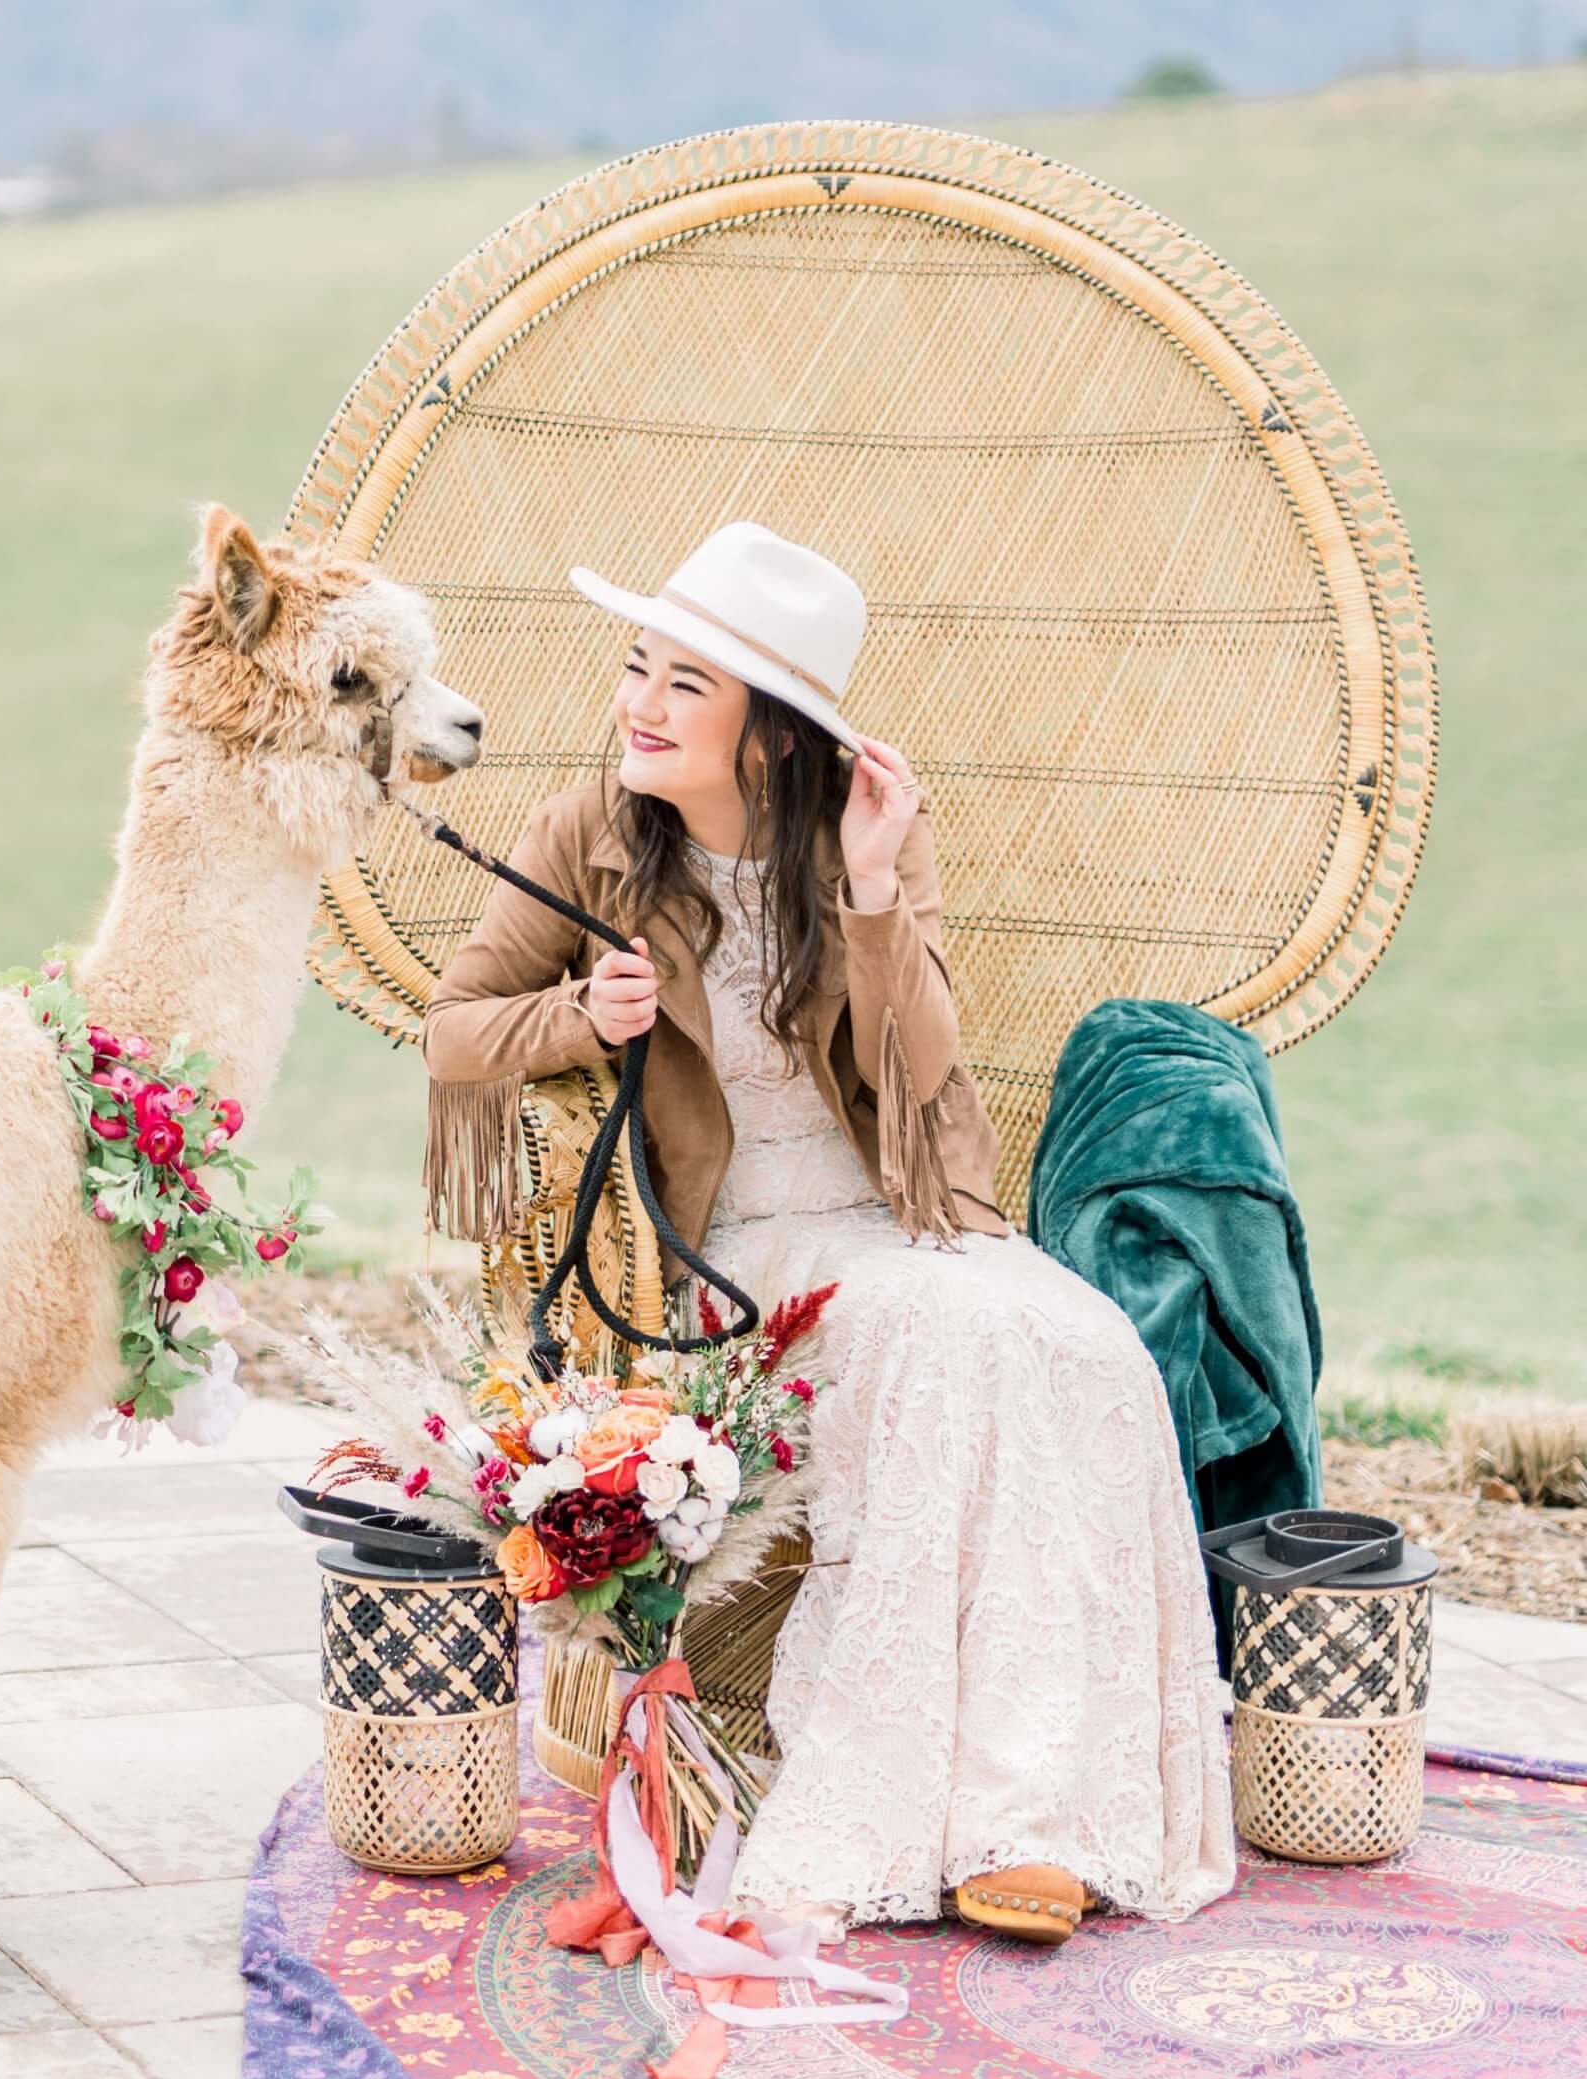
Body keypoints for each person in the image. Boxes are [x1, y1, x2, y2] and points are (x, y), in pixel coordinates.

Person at [420, 522, 1235, 1944]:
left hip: (897, 1222)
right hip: (729, 1252)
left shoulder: (868, 837)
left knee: (1085, 1345)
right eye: (639, 668)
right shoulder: (589, 837)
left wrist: (868, 890)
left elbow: (921, 1072)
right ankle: (949, 1813)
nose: (639, 705)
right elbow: (451, 1032)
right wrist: (576, 1019)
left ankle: (1036, 1817)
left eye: (687, 687)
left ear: (774, 741)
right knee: (941, 1335)